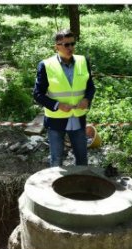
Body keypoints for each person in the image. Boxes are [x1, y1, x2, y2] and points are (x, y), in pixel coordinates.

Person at [33, 29, 96, 168]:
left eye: (73, 44)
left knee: (82, 158)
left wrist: (87, 99)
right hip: (56, 120)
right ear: (57, 46)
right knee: (56, 161)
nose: (70, 48)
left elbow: (91, 87)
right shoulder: (46, 65)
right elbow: (37, 94)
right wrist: (57, 105)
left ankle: (81, 186)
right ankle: (55, 187)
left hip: (78, 118)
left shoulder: (83, 61)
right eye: (66, 45)